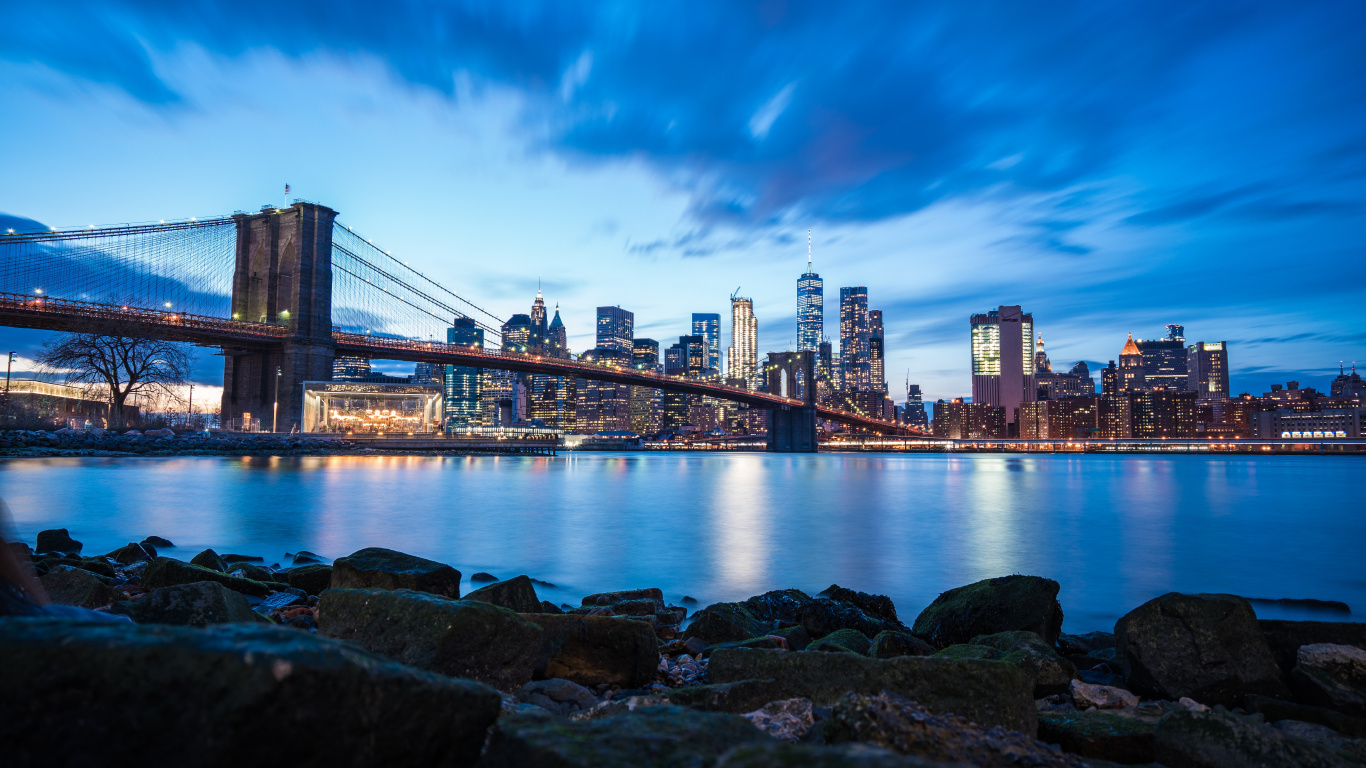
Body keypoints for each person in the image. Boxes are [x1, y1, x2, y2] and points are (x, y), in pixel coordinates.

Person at [0, 500, 130, 621]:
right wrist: (41, 604)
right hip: (14, 610)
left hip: (14, 607)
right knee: (122, 623)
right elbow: (5, 556)